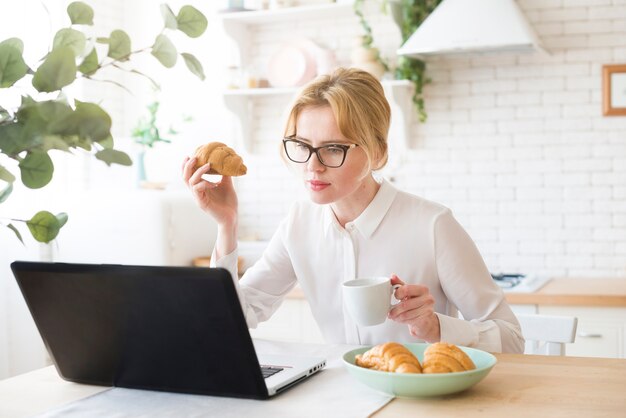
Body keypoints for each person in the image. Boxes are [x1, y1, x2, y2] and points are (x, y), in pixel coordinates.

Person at [183, 67, 524, 353]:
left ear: (376, 151)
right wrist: (226, 225)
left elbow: (511, 338)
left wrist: (437, 327)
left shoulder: (432, 225)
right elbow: (230, 317)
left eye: (333, 148)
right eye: (302, 146)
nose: (312, 166)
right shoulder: (299, 224)